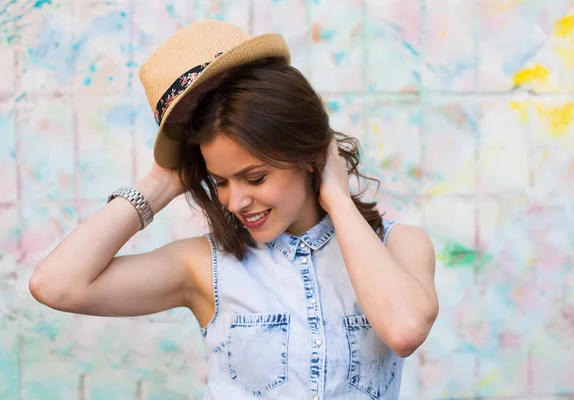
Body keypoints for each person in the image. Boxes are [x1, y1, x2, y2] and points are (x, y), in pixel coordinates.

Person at [28, 20, 438, 400]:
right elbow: (57, 286)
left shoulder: (400, 244)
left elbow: (403, 330)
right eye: (221, 182)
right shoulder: (204, 266)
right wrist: (159, 184)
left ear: (308, 155)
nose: (234, 201)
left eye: (255, 178)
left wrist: (336, 196)